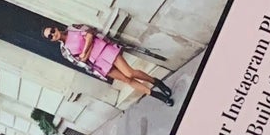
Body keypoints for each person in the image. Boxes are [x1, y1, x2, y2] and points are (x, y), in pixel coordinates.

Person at [42, 22, 176, 105]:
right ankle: (158, 96)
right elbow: (81, 61)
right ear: (51, 40)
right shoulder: (64, 51)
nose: (53, 34)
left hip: (105, 49)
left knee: (129, 72)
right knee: (126, 80)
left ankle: (156, 82)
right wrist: (87, 51)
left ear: (55, 28)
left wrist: (85, 51)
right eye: (50, 36)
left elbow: (90, 33)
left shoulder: (73, 27)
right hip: (98, 64)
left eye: (52, 31)